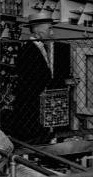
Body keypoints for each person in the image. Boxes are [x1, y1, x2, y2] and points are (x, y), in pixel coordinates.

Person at [9, 14, 69, 143]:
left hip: (44, 99)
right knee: (34, 134)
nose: (52, 33)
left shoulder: (48, 47)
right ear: (39, 33)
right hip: (32, 101)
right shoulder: (27, 51)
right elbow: (33, 78)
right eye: (49, 29)